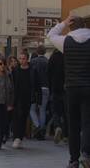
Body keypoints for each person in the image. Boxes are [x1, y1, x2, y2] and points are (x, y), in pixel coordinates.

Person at [47, 16, 90, 168]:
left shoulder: (65, 42)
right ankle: (86, 154)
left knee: (73, 125)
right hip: (88, 87)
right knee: (87, 124)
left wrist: (63, 23)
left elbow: (51, 35)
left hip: (71, 88)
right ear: (84, 25)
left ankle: (73, 160)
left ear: (71, 27)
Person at [11, 51, 35, 149]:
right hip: (17, 97)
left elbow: (35, 84)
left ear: (27, 59)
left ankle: (19, 137)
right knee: (17, 117)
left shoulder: (32, 70)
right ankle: (17, 137)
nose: (21, 60)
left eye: (23, 58)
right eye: (20, 58)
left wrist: (36, 98)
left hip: (27, 97)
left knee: (23, 117)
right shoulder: (16, 70)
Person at [29, 45, 49, 140]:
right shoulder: (47, 62)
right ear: (45, 52)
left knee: (32, 109)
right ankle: (41, 129)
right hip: (45, 87)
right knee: (42, 110)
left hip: (34, 89)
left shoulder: (32, 62)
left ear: (36, 52)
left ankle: (37, 125)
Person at [48, 49, 68, 144]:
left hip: (55, 88)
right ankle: (66, 135)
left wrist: (50, 85)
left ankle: (57, 126)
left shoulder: (53, 57)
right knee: (66, 112)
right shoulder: (67, 57)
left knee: (55, 111)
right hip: (66, 88)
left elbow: (48, 73)